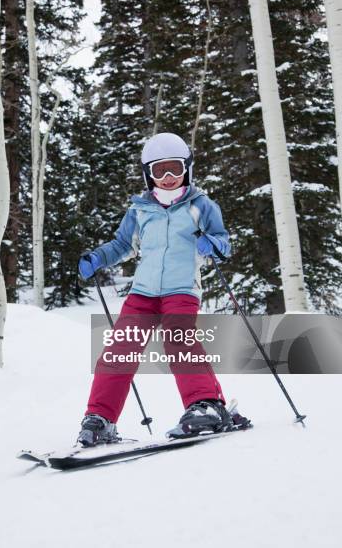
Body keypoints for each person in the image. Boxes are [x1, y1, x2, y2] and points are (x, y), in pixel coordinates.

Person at [77, 133, 249, 446]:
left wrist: (211, 243)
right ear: (148, 174)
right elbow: (122, 245)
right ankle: (100, 418)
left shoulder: (201, 205)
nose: (168, 177)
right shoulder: (140, 209)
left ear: (187, 169)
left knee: (178, 340)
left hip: (181, 289)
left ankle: (205, 404)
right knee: (119, 349)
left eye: (175, 169)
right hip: (142, 293)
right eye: (160, 171)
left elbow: (223, 241)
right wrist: (99, 257)